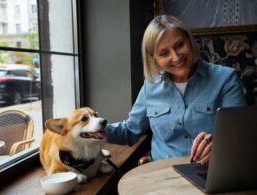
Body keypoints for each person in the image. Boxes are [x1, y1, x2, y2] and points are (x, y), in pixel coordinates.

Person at [104, 15, 246, 165]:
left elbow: (240, 136)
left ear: (189, 41)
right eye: (164, 53)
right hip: (162, 175)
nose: (176, 57)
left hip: (211, 173)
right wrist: (93, 131)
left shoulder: (226, 79)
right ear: (154, 59)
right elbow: (130, 131)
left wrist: (218, 145)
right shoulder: (150, 87)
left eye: (179, 45)